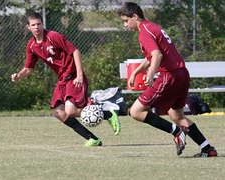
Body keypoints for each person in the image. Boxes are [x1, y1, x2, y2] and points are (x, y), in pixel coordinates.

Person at [118, 2, 217, 157]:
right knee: (177, 116)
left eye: (125, 20)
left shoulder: (144, 32)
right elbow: (151, 56)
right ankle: (208, 149)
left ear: (135, 16)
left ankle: (177, 132)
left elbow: (157, 55)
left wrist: (150, 73)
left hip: (170, 76)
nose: (125, 25)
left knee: (136, 111)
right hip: (182, 74)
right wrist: (136, 72)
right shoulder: (152, 27)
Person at [11, 10, 120, 147]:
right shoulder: (32, 46)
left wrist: (79, 75)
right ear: (28, 27)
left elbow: (75, 51)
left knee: (70, 111)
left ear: (42, 24)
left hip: (73, 75)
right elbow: (28, 69)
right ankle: (93, 139)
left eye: (39, 24)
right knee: (59, 112)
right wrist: (18, 76)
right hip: (62, 80)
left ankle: (107, 114)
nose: (37, 27)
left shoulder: (53, 36)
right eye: (33, 25)